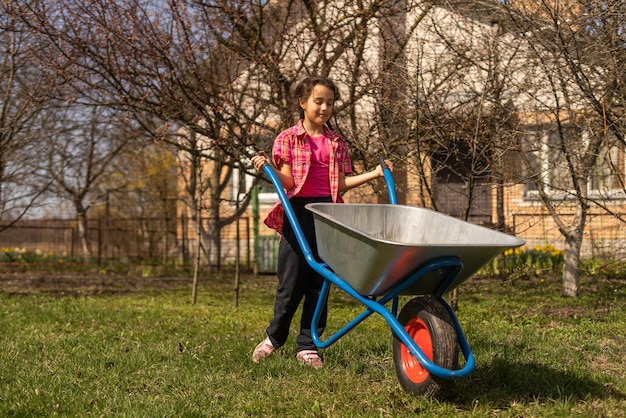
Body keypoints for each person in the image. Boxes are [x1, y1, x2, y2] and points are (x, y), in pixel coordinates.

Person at [251, 75, 393, 369]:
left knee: (322, 281)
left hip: (329, 214)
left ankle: (308, 344)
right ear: (303, 103)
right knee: (291, 283)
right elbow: (288, 180)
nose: (324, 108)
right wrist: (268, 168)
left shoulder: (337, 143)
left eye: (329, 103)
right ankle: (274, 337)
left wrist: (376, 173)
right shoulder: (288, 138)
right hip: (298, 212)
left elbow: (340, 184)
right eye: (318, 101)